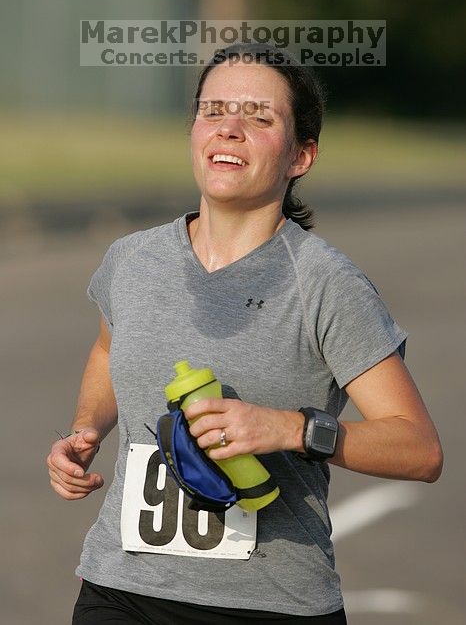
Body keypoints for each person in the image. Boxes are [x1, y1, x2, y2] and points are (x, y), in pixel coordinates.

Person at [47, 42, 443, 624]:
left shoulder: (325, 283)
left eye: (258, 117)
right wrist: (85, 430)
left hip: (267, 605)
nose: (229, 128)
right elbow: (110, 347)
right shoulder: (132, 260)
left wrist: (290, 429)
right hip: (121, 589)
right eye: (214, 111)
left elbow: (419, 449)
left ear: (301, 155)